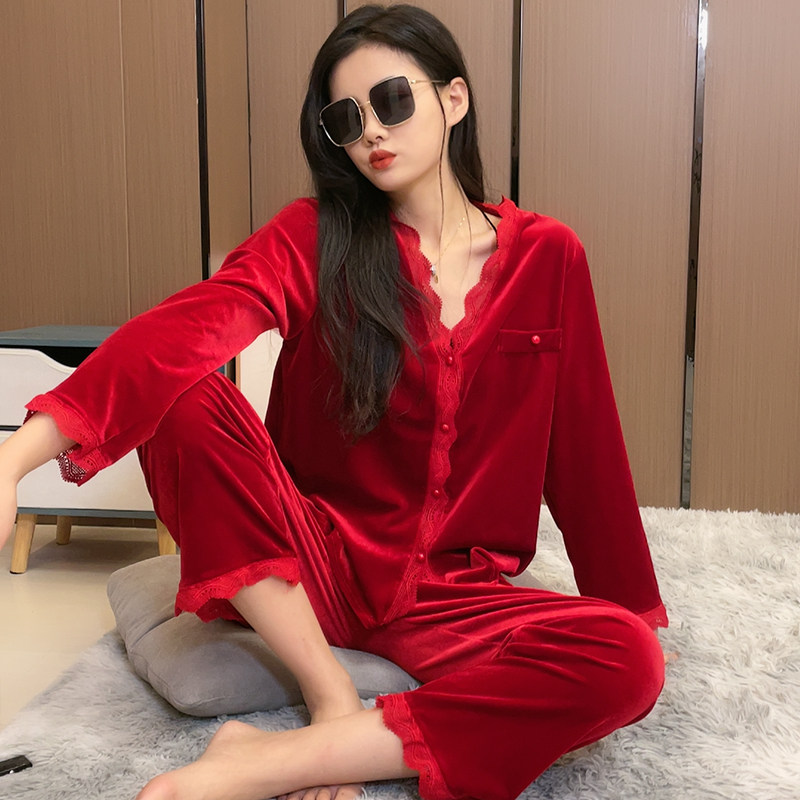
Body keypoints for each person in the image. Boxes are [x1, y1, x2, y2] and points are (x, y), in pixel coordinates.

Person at [0, 5, 669, 800]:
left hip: (452, 597)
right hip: (306, 566)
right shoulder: (315, 234)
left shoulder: (550, 256)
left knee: (625, 659)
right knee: (184, 390)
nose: (371, 132)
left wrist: (628, 610)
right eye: (345, 119)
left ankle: (266, 760)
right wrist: (14, 460)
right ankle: (330, 695)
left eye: (393, 100)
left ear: (454, 99)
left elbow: (585, 448)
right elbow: (188, 328)